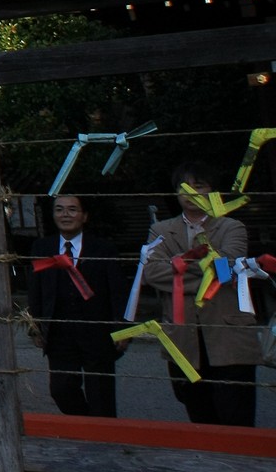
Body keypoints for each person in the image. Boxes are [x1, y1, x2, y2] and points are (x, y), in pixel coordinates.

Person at [141, 161, 262, 427]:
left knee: (236, 420)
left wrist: (177, 268)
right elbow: (151, 274)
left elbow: (226, 270)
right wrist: (205, 268)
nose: (191, 192)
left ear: (212, 191)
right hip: (183, 340)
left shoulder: (232, 227)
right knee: (200, 419)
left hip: (229, 339)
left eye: (199, 185)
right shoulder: (160, 230)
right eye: (184, 186)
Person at [28, 194, 123, 416]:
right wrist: (35, 326)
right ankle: (86, 428)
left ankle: (105, 440)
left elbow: (118, 291)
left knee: (101, 395)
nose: (65, 215)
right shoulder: (42, 247)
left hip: (98, 332)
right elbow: (35, 290)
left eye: (72, 209)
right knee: (61, 389)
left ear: (84, 216)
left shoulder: (103, 249)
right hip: (59, 332)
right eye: (59, 210)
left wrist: (123, 328)